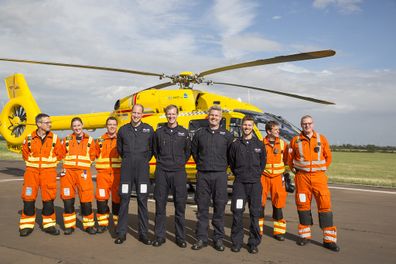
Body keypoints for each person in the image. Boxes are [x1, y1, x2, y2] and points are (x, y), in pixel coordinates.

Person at [288, 115, 340, 252]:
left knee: (325, 206)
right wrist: (297, 172)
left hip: (319, 178)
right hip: (302, 178)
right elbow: (289, 159)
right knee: (303, 206)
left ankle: (329, 240)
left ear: (313, 124)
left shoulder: (321, 139)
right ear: (301, 125)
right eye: (304, 124)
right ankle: (304, 236)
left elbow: (328, 157)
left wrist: (320, 170)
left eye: (309, 123)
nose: (307, 126)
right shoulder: (295, 140)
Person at [191, 105, 233, 251]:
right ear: (208, 116)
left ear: (220, 118)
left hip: (220, 175)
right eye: (212, 115)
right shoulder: (200, 134)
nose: (214, 117)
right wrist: (203, 164)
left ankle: (218, 238)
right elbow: (195, 152)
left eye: (216, 115)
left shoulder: (227, 135)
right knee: (202, 208)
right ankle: (201, 238)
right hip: (203, 174)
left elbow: (230, 155)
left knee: (219, 207)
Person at [114, 104, 154, 245]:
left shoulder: (149, 130)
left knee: (142, 200)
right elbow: (120, 150)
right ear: (131, 113)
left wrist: (142, 160)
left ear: (142, 114)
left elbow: (151, 150)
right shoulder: (123, 130)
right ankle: (121, 233)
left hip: (142, 169)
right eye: (134, 113)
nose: (136, 115)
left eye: (139, 113)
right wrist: (130, 159)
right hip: (127, 169)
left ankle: (143, 234)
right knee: (124, 200)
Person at [152, 105, 191, 248]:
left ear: (177, 115)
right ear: (165, 115)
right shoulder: (159, 133)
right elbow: (155, 151)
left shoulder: (184, 133)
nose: (171, 116)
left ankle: (180, 237)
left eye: (173, 114)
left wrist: (179, 163)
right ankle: (159, 236)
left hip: (179, 172)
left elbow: (188, 152)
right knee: (160, 205)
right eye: (168, 114)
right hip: (162, 171)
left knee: (180, 206)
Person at [19, 113, 63, 236]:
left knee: (48, 199)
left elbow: (59, 154)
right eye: (47, 122)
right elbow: (25, 154)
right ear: (39, 124)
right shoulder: (28, 138)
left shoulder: (55, 139)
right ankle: (26, 225)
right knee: (28, 198)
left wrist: (49, 164)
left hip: (48, 173)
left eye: (50, 122)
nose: (50, 124)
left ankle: (49, 225)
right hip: (31, 173)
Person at [228, 116, 266, 254]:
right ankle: (237, 242)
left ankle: (253, 243)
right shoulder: (235, 144)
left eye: (249, 125)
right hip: (240, 185)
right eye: (245, 125)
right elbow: (231, 162)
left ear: (252, 127)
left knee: (255, 214)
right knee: (237, 213)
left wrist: (255, 175)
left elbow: (263, 163)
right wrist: (240, 174)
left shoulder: (259, 144)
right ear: (241, 126)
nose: (247, 127)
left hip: (255, 184)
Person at [60, 117, 97, 235]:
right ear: (72, 128)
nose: (77, 128)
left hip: (83, 174)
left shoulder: (90, 140)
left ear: (82, 125)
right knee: (68, 200)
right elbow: (60, 154)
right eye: (74, 126)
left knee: (86, 200)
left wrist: (84, 166)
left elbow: (93, 155)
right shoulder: (66, 140)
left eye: (78, 125)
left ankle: (88, 225)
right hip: (68, 174)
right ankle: (70, 226)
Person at [259, 121, 289, 241]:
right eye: (275, 129)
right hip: (263, 177)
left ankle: (279, 232)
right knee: (260, 203)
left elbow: (287, 161)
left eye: (278, 129)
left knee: (278, 204)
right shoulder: (260, 143)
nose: (278, 131)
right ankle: (258, 230)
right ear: (268, 131)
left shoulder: (282, 144)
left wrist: (286, 176)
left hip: (277, 178)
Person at [95, 116, 122, 233]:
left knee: (117, 200)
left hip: (117, 175)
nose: (112, 126)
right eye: (109, 124)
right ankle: (102, 223)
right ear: (106, 126)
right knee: (101, 199)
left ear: (116, 126)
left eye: (114, 124)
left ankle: (118, 223)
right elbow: (91, 155)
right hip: (103, 175)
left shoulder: (121, 140)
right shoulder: (99, 141)